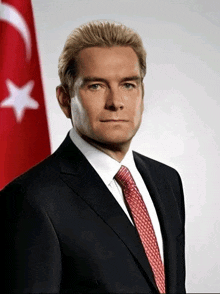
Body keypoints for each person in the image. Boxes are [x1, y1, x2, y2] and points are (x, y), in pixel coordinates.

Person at [3, 20, 186, 293]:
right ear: (65, 100)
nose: (116, 102)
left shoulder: (167, 181)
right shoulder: (31, 199)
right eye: (96, 86)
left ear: (142, 93)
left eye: (128, 85)